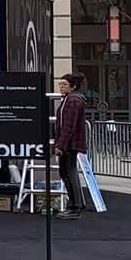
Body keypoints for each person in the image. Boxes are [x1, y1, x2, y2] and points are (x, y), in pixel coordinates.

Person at [54, 72, 91, 216]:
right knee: (65, 172)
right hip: (68, 143)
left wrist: (60, 145)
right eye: (60, 84)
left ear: (73, 86)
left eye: (64, 85)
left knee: (69, 172)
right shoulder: (68, 99)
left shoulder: (73, 101)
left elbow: (68, 126)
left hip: (70, 144)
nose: (61, 87)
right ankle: (74, 205)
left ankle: (75, 206)